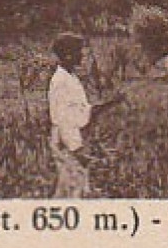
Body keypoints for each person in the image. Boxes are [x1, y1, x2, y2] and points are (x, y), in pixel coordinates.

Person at [47, 32, 121, 198]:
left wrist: (110, 103)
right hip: (67, 140)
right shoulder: (61, 82)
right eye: (79, 52)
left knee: (71, 186)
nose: (82, 55)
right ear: (68, 56)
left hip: (72, 138)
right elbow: (64, 119)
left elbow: (82, 110)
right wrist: (77, 149)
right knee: (73, 188)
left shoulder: (70, 77)